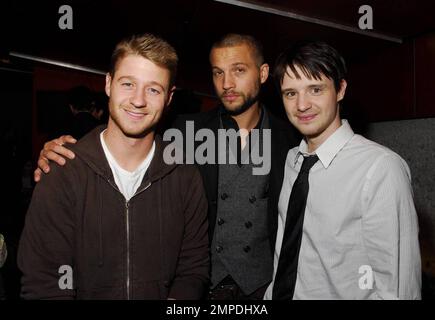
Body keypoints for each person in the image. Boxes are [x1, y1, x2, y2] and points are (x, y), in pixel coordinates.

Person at [33, 34, 299, 300]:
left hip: (260, 290)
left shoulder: (291, 141)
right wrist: (65, 153)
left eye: (238, 70)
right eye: (218, 72)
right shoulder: (183, 130)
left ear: (264, 73)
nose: (226, 83)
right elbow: (129, 131)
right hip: (203, 289)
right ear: (108, 83)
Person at [18, 33, 209, 300]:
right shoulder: (63, 172)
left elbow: (193, 269)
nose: (138, 100)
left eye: (153, 89)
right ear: (108, 84)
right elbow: (44, 282)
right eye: (128, 84)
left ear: (168, 98)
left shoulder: (185, 176)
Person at [264, 41, 421, 300]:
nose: (302, 105)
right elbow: (288, 253)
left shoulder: (380, 168)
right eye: (291, 93)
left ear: (340, 90)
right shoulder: (293, 159)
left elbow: (399, 288)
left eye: (315, 89)